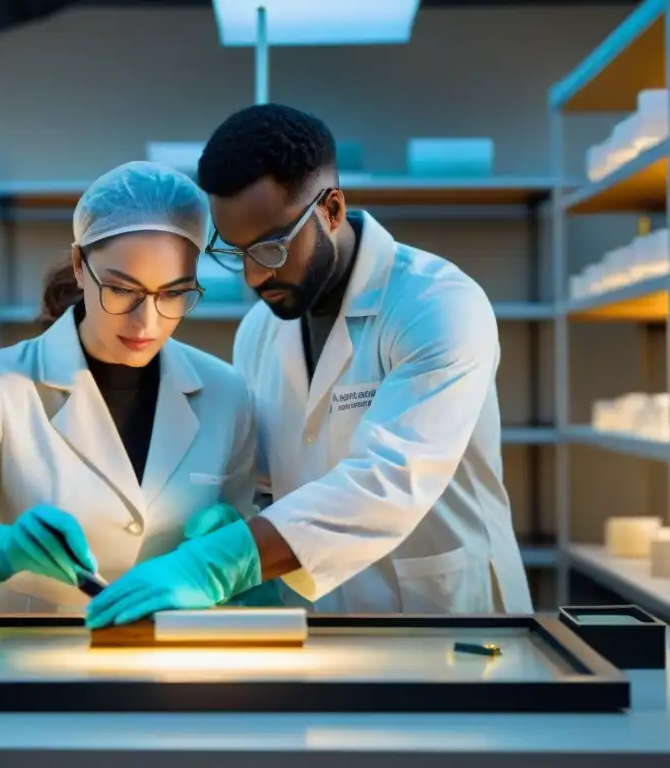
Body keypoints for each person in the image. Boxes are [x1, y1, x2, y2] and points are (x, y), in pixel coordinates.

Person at [86, 105, 532, 628]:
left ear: (333, 210)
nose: (253, 276)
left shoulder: (437, 305)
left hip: (450, 612)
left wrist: (223, 562)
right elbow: (272, 478)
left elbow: (388, 481)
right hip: (322, 620)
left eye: (272, 248)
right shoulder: (259, 330)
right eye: (236, 252)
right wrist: (233, 517)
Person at [0, 160, 259, 614]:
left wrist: (240, 547)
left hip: (177, 660)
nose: (148, 322)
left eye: (174, 293)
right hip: (36, 665)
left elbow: (251, 548)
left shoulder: (225, 391)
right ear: (80, 265)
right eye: (122, 290)